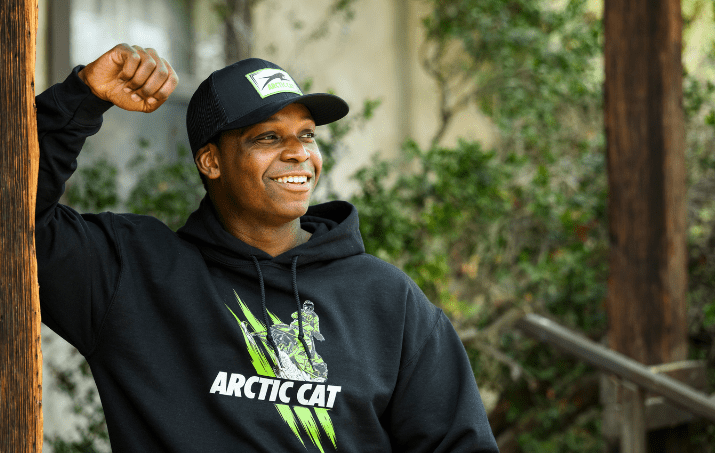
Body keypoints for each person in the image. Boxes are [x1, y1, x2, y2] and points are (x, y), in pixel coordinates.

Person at [36, 43, 499, 452]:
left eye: (307, 134)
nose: (299, 152)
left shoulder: (387, 299)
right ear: (211, 161)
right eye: (269, 137)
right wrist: (81, 98)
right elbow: (9, 220)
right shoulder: (131, 274)